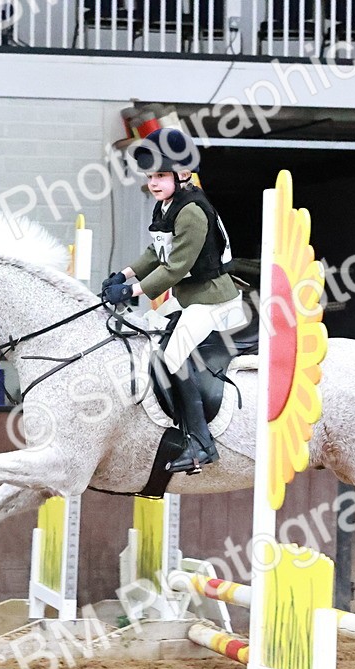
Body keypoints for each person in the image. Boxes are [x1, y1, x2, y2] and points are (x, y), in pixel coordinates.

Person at [102, 128, 247, 474]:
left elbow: (176, 266)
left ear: (182, 175)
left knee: (172, 354)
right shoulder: (166, 205)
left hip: (212, 300)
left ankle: (201, 442)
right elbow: (156, 251)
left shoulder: (193, 211)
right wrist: (123, 274)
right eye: (151, 176)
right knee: (146, 334)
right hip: (188, 297)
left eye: (161, 175)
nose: (153, 182)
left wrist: (133, 292)